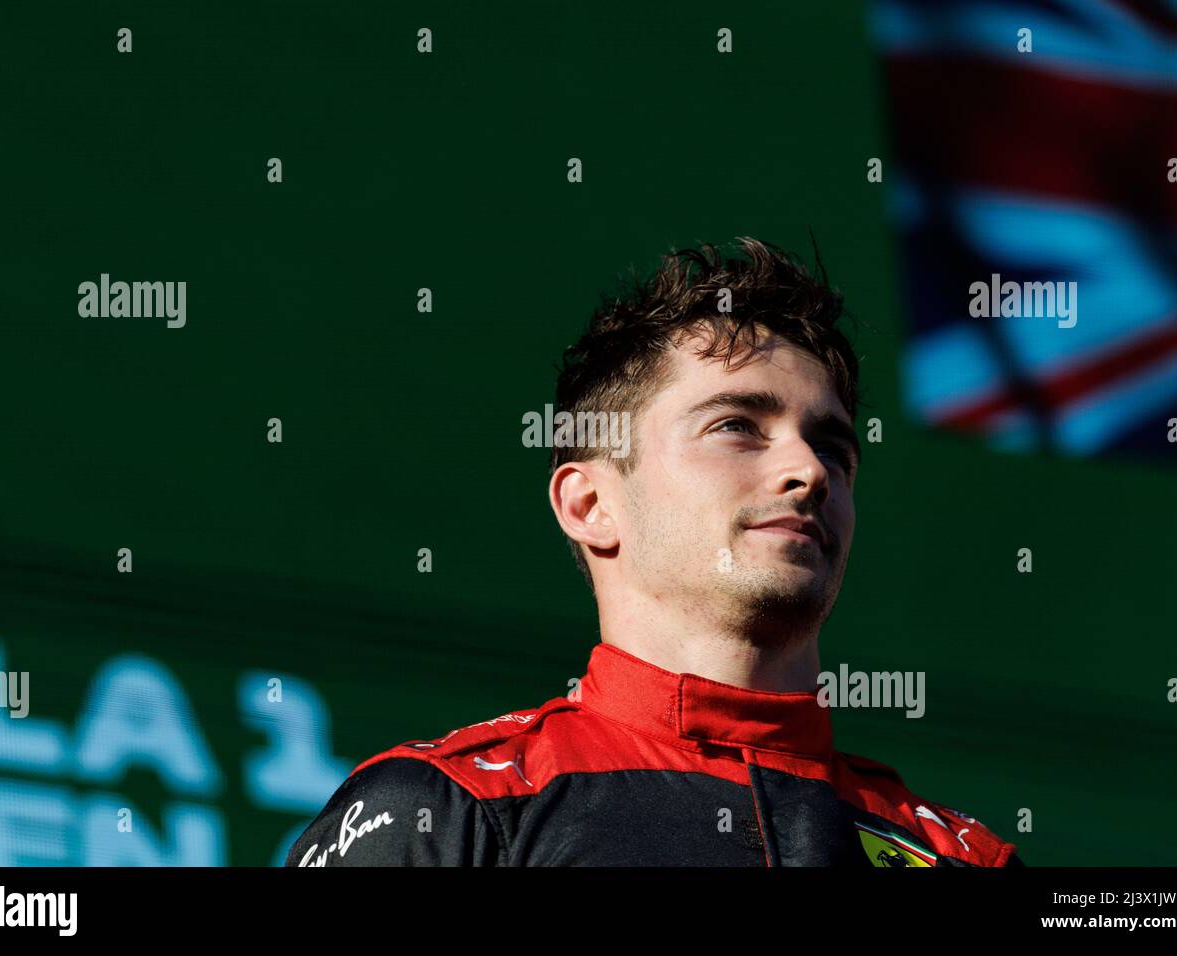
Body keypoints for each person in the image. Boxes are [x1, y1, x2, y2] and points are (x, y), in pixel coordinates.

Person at [285, 236, 1022, 867]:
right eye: (737, 425)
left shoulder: (965, 856)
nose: (807, 470)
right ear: (590, 504)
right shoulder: (454, 809)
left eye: (832, 446)